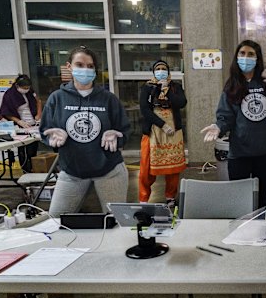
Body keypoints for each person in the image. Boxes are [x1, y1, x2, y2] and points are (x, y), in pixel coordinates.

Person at [201, 40, 266, 208]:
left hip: (264, 153)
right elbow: (226, 116)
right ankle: (242, 233)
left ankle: (259, 231)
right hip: (239, 154)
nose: (246, 57)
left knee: (260, 200)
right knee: (239, 201)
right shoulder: (232, 85)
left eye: (251, 54)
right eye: (242, 53)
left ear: (257, 58)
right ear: (236, 57)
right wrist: (218, 126)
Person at [40, 46, 131, 217]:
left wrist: (117, 137)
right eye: (79, 64)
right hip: (72, 171)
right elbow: (45, 130)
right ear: (69, 66)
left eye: (90, 66)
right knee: (56, 220)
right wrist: (52, 137)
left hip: (109, 170)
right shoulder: (57, 98)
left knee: (117, 221)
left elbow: (124, 130)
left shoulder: (108, 99)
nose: (85, 70)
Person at [138, 60, 187, 208]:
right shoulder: (147, 88)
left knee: (173, 168)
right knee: (146, 168)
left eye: (163, 68)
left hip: (173, 132)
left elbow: (181, 103)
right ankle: (143, 198)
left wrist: (166, 90)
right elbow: (145, 110)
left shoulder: (175, 86)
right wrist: (162, 125)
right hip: (153, 131)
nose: (161, 71)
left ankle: (170, 196)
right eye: (158, 69)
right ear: (153, 72)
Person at [0, 75, 42, 173]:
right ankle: (26, 170)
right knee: (24, 150)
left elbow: (38, 102)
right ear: (17, 86)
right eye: (24, 88)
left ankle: (34, 168)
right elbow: (6, 112)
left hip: (33, 123)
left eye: (28, 88)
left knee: (33, 148)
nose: (26, 90)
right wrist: (19, 121)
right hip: (21, 126)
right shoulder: (9, 95)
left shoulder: (30, 92)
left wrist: (38, 115)